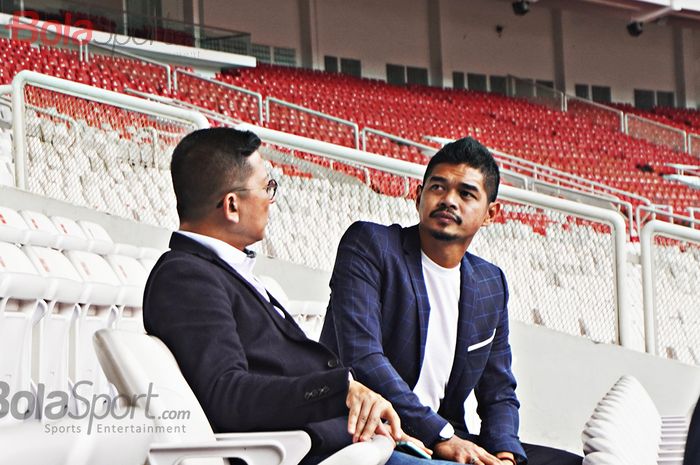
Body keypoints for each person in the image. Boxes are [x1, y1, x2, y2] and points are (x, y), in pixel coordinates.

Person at [143, 127, 412, 465]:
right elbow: (228, 394)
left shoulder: (219, 271)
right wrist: (339, 390)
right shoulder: (186, 277)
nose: (270, 200)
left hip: (348, 443)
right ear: (231, 205)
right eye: (266, 187)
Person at [320, 137, 583, 465]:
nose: (449, 200)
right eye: (438, 188)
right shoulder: (371, 246)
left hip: (446, 437)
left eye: (466, 193)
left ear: (490, 214)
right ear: (418, 196)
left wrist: (504, 455)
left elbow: (498, 391)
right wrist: (441, 436)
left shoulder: (490, 283)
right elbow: (364, 358)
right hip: (371, 434)